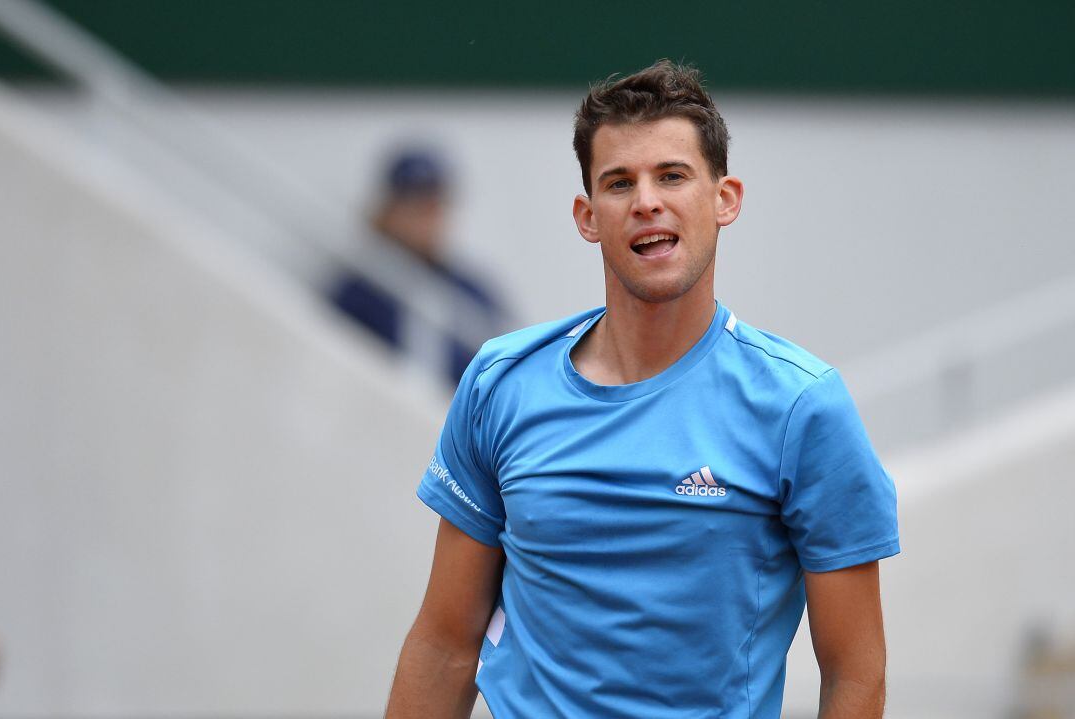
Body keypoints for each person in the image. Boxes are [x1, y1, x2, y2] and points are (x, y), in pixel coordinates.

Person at [385, 60, 899, 718]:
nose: (647, 200)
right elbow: (443, 645)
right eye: (619, 182)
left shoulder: (803, 406)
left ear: (726, 198)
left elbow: (857, 674)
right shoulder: (500, 382)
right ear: (588, 215)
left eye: (673, 175)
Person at [329, 148, 508, 386]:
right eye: (414, 207)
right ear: (388, 210)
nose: (424, 221)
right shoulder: (360, 289)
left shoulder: (471, 292)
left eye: (433, 207)